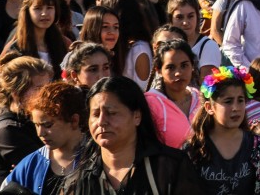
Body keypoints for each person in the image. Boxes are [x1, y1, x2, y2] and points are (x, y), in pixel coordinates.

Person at [62, 76, 202, 195]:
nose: (101, 122)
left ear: (137, 116)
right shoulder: (79, 180)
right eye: (96, 114)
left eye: (111, 113)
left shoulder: (170, 168)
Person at [2, 82, 86, 195]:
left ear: (74, 121)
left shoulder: (96, 159)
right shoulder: (31, 164)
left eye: (48, 125)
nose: (40, 133)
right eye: (36, 125)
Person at [0, 55, 52, 189]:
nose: (47, 94)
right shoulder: (8, 130)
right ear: (16, 93)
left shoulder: (34, 119)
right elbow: (47, 172)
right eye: (39, 88)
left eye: (48, 87)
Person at [167, 0, 221, 80]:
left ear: (197, 16)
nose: (185, 22)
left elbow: (206, 87)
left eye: (190, 16)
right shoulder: (166, 44)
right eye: (179, 17)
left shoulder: (208, 46)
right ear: (171, 19)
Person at [148, 39, 202, 121]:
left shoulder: (199, 98)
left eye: (184, 66)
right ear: (159, 71)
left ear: (192, 66)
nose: (178, 73)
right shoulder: (151, 103)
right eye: (171, 68)